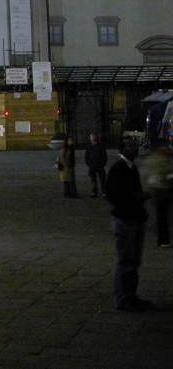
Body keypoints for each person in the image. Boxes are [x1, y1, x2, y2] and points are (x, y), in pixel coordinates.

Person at [105, 136, 152, 311]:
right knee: (125, 262)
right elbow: (114, 195)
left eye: (135, 146)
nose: (134, 149)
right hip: (126, 221)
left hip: (134, 219)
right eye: (130, 146)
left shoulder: (130, 168)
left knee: (133, 261)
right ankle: (123, 299)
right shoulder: (119, 169)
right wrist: (138, 198)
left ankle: (131, 296)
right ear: (122, 149)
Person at [139, 145, 172, 248]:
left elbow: (145, 175)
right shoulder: (163, 162)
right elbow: (168, 175)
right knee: (162, 216)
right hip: (162, 191)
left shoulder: (150, 160)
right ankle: (163, 240)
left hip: (153, 191)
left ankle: (161, 238)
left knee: (159, 215)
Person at [85, 132, 109, 198]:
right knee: (93, 181)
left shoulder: (101, 145)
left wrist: (103, 163)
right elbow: (86, 157)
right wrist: (89, 164)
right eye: (91, 137)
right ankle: (94, 192)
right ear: (90, 138)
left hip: (100, 166)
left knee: (102, 180)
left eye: (94, 137)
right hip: (92, 166)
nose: (93, 138)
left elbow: (105, 156)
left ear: (96, 137)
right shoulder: (88, 146)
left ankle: (104, 192)